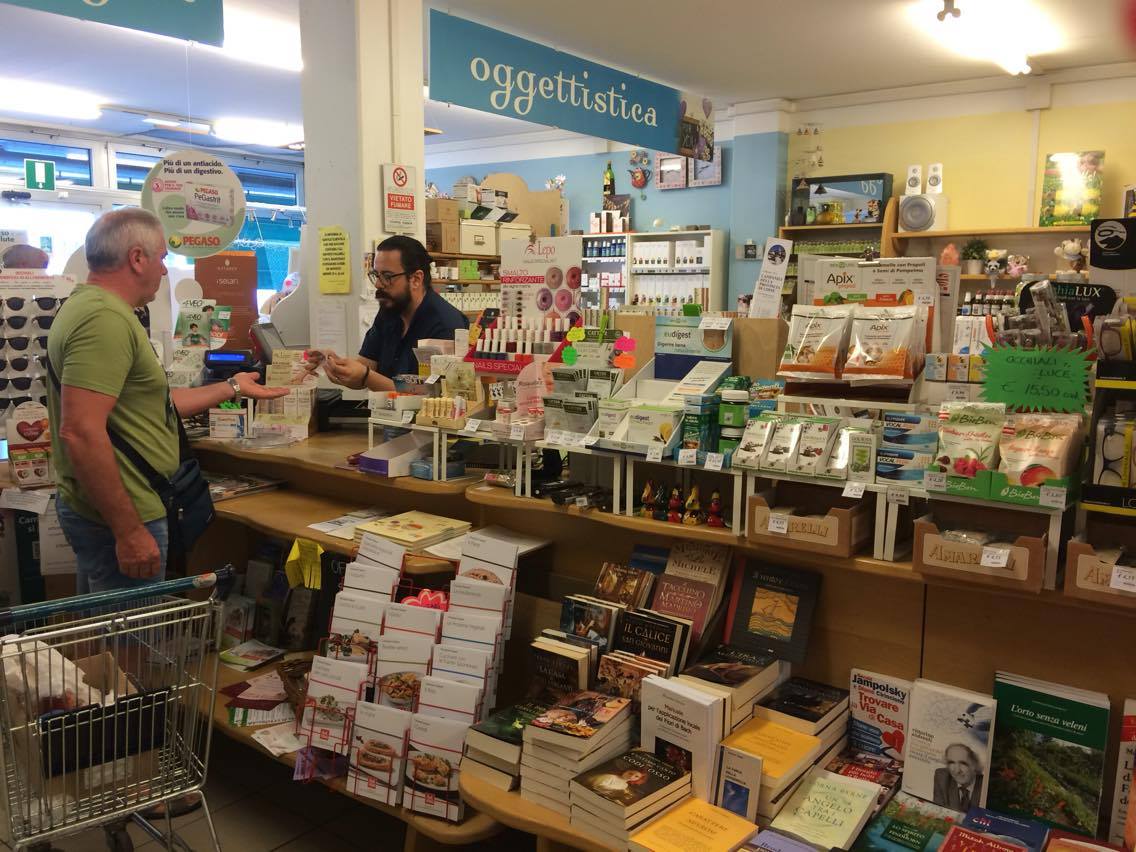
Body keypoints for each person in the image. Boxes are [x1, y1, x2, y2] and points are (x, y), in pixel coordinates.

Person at [47, 208, 288, 592]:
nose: (163, 270)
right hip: (125, 510)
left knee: (108, 624)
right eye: (160, 257)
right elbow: (80, 432)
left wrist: (232, 387)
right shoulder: (103, 320)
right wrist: (128, 530)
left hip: (113, 506)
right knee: (130, 628)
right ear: (136, 258)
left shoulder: (93, 309)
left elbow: (148, 405)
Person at [309, 235, 467, 391]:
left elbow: (432, 392)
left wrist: (366, 376)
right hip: (383, 408)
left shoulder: (446, 324)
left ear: (416, 279)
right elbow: (364, 369)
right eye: (376, 275)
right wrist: (335, 364)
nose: (378, 284)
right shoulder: (389, 312)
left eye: (387, 276)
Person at [932, 742, 984, 812]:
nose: (957, 771)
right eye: (951, 762)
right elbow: (938, 810)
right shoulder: (942, 777)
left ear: (974, 765)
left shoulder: (985, 785)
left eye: (963, 763)